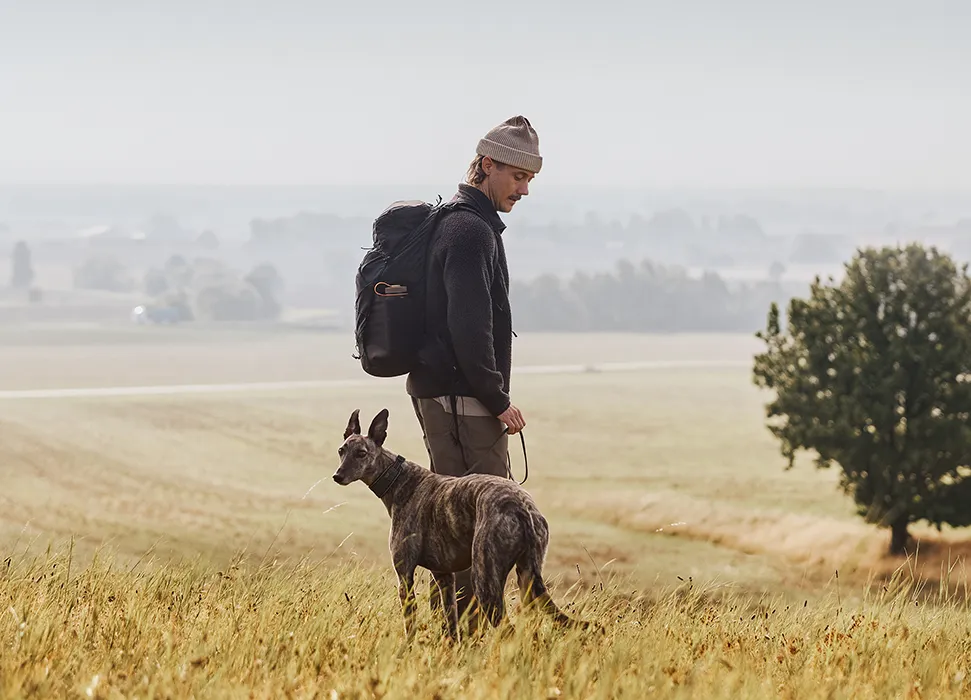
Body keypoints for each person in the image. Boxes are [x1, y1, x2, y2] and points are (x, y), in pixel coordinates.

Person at [405, 114, 542, 631]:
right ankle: (475, 628)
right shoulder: (469, 232)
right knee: (486, 516)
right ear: (487, 166)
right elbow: (469, 326)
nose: (524, 190)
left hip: (441, 392)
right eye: (517, 177)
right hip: (465, 399)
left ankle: (458, 629)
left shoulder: (455, 222)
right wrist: (497, 398)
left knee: (455, 516)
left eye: (530, 179)